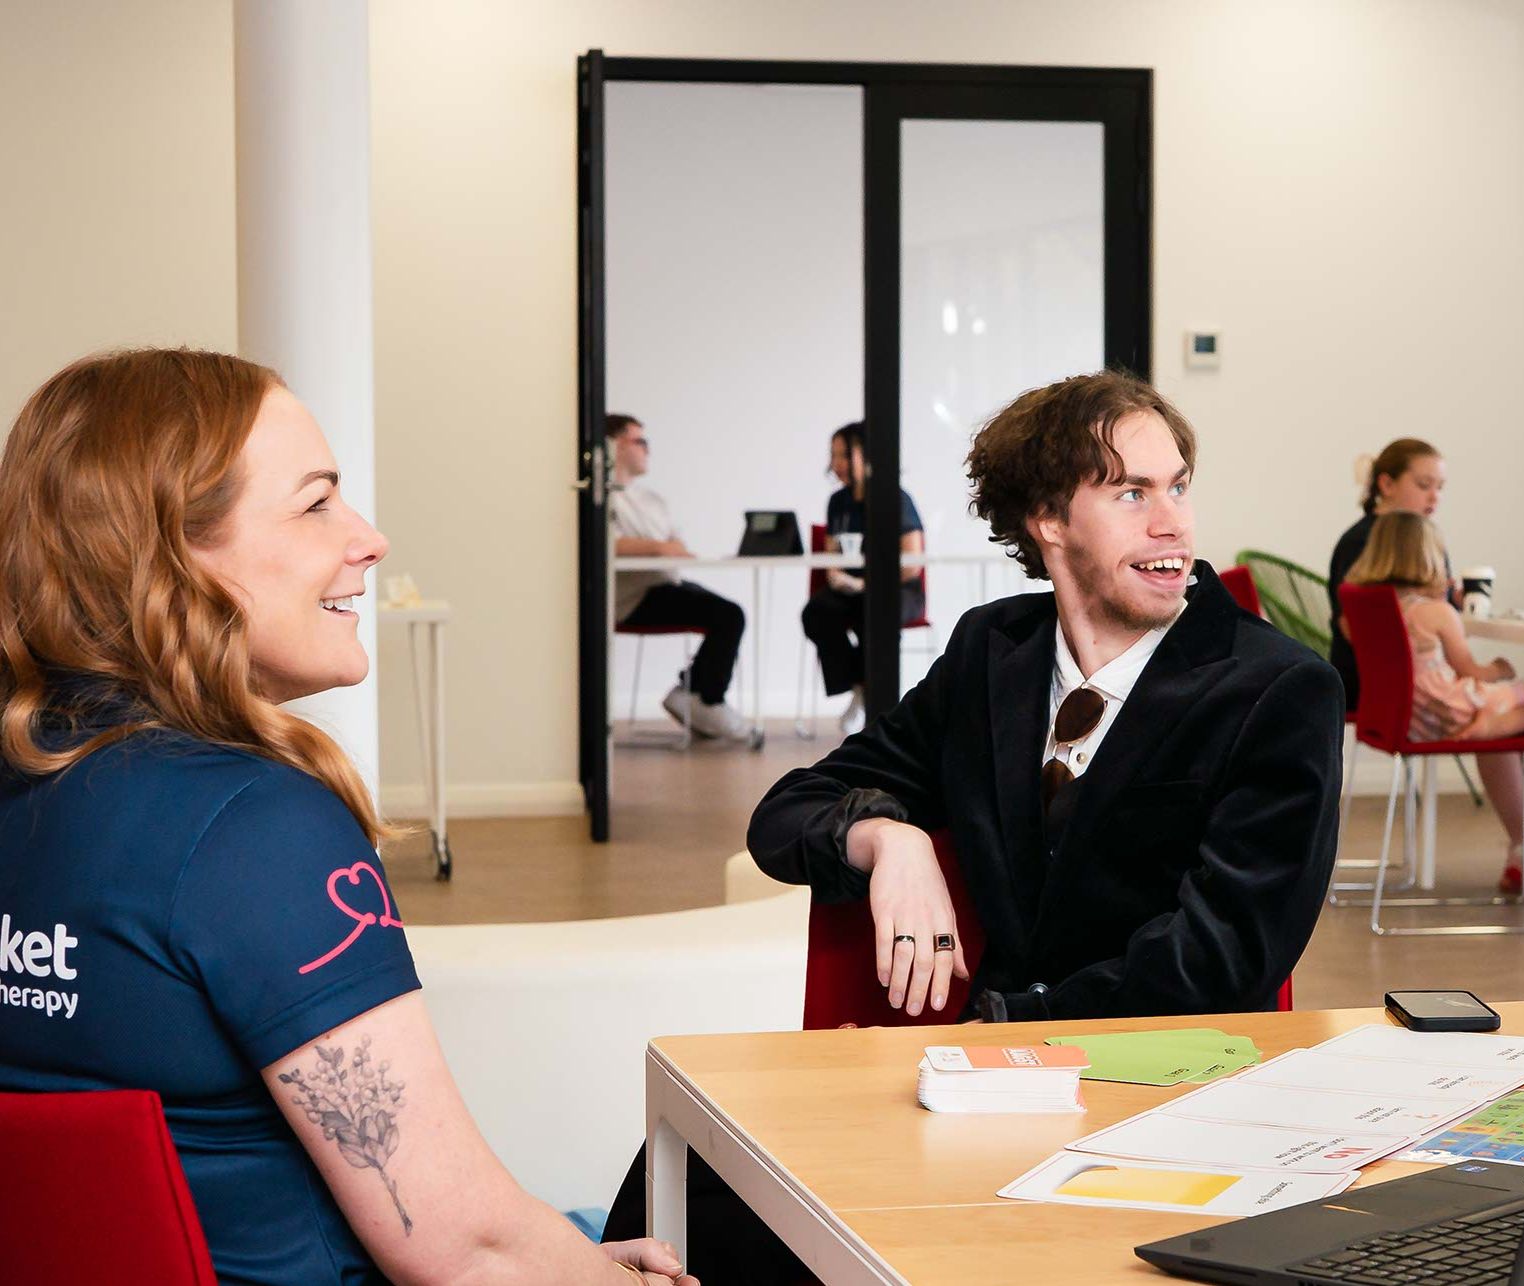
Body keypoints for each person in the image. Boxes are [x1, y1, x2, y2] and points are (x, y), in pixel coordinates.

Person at [0, 351, 695, 1286]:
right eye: (317, 502)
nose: (367, 538)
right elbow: (459, 1248)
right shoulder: (251, 830)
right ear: (170, 551)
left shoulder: (38, 776)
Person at [753, 368, 1344, 1025]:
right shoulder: (993, 652)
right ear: (1049, 520)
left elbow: (1226, 955)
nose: (1172, 523)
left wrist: (1006, 1031)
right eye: (1132, 493)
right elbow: (784, 814)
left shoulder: (1280, 688)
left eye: (1178, 487)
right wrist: (889, 838)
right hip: (987, 1082)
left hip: (1171, 1078)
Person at [1343, 512, 1524, 892]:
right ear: (1429, 559)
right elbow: (1469, 670)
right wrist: (1499, 669)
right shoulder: (1437, 613)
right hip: (1452, 711)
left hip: (1407, 719)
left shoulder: (1364, 609)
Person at [609, 413, 748, 741]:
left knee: (728, 612)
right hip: (630, 597)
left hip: (665, 584)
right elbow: (612, 545)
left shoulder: (652, 500)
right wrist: (658, 547)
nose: (647, 449)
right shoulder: (602, 500)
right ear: (613, 445)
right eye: (639, 441)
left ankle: (695, 692)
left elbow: (677, 547)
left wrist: (657, 548)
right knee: (728, 615)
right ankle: (704, 699)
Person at [801, 422, 927, 735]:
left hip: (897, 591)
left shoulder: (895, 499)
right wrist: (836, 576)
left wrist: (866, 585)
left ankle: (874, 698)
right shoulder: (838, 503)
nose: (834, 465)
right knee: (816, 612)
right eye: (833, 456)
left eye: (842, 456)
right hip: (852, 592)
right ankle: (862, 686)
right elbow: (832, 554)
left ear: (864, 456)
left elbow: (912, 562)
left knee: (875, 612)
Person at [1327, 438, 1455, 714]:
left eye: (1440, 487)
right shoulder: (1360, 542)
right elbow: (1353, 626)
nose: (1434, 496)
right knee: (1514, 707)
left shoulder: (1427, 540)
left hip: (1410, 680)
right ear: (1386, 485)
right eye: (1423, 485)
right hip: (1375, 681)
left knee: (1511, 709)